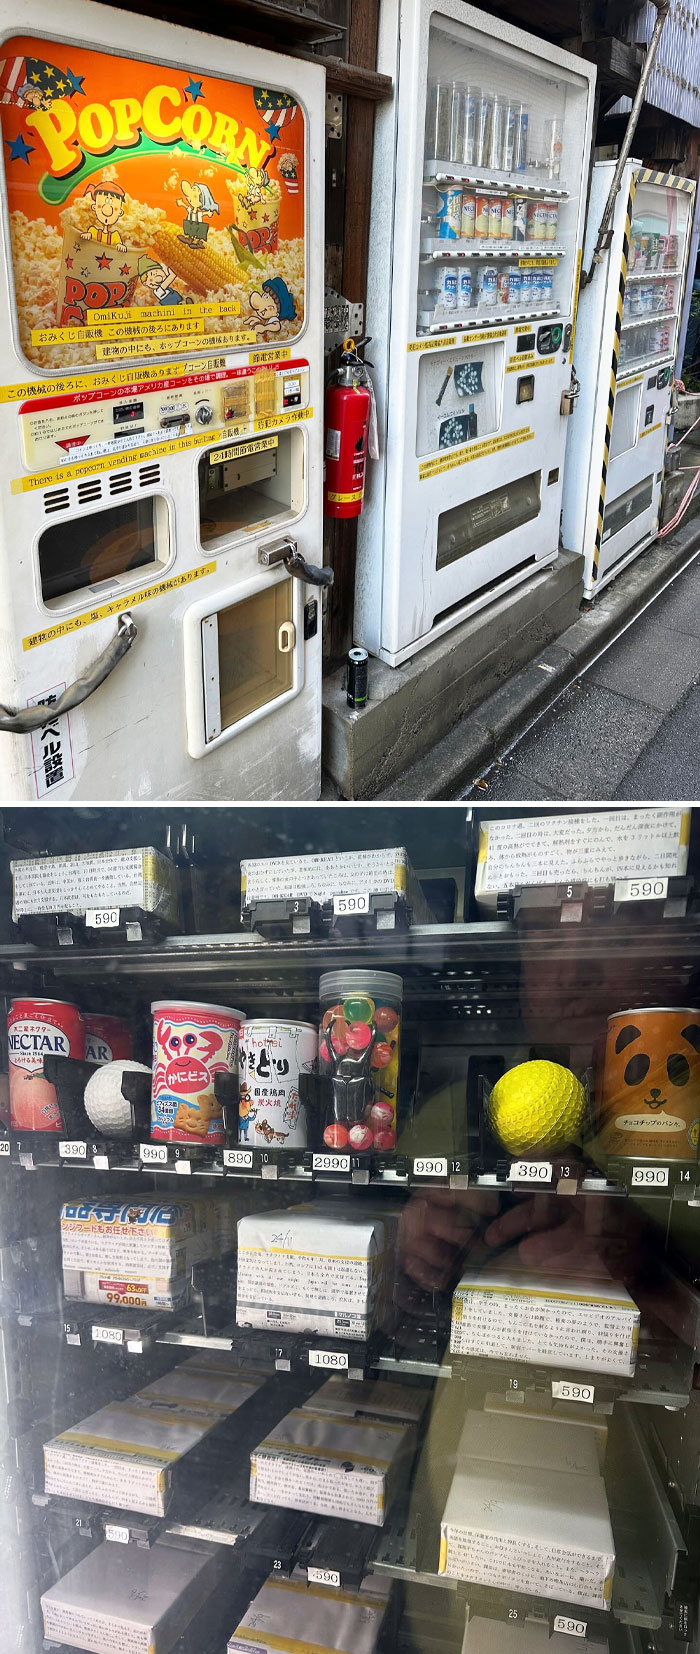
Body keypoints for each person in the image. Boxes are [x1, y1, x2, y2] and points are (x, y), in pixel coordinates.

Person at [178, 179, 219, 248]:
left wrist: (208, 213)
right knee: (189, 230)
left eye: (194, 196)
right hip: (190, 223)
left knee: (199, 233)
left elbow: (202, 214)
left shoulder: (198, 213)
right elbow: (187, 208)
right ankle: (189, 239)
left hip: (198, 225)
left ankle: (199, 242)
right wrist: (182, 203)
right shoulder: (191, 210)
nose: (189, 198)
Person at [82, 180, 126, 245]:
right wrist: (87, 235)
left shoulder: (115, 236)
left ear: (120, 212)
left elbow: (118, 243)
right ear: (94, 207)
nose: (107, 209)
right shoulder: (93, 231)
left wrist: (120, 245)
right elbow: (89, 234)